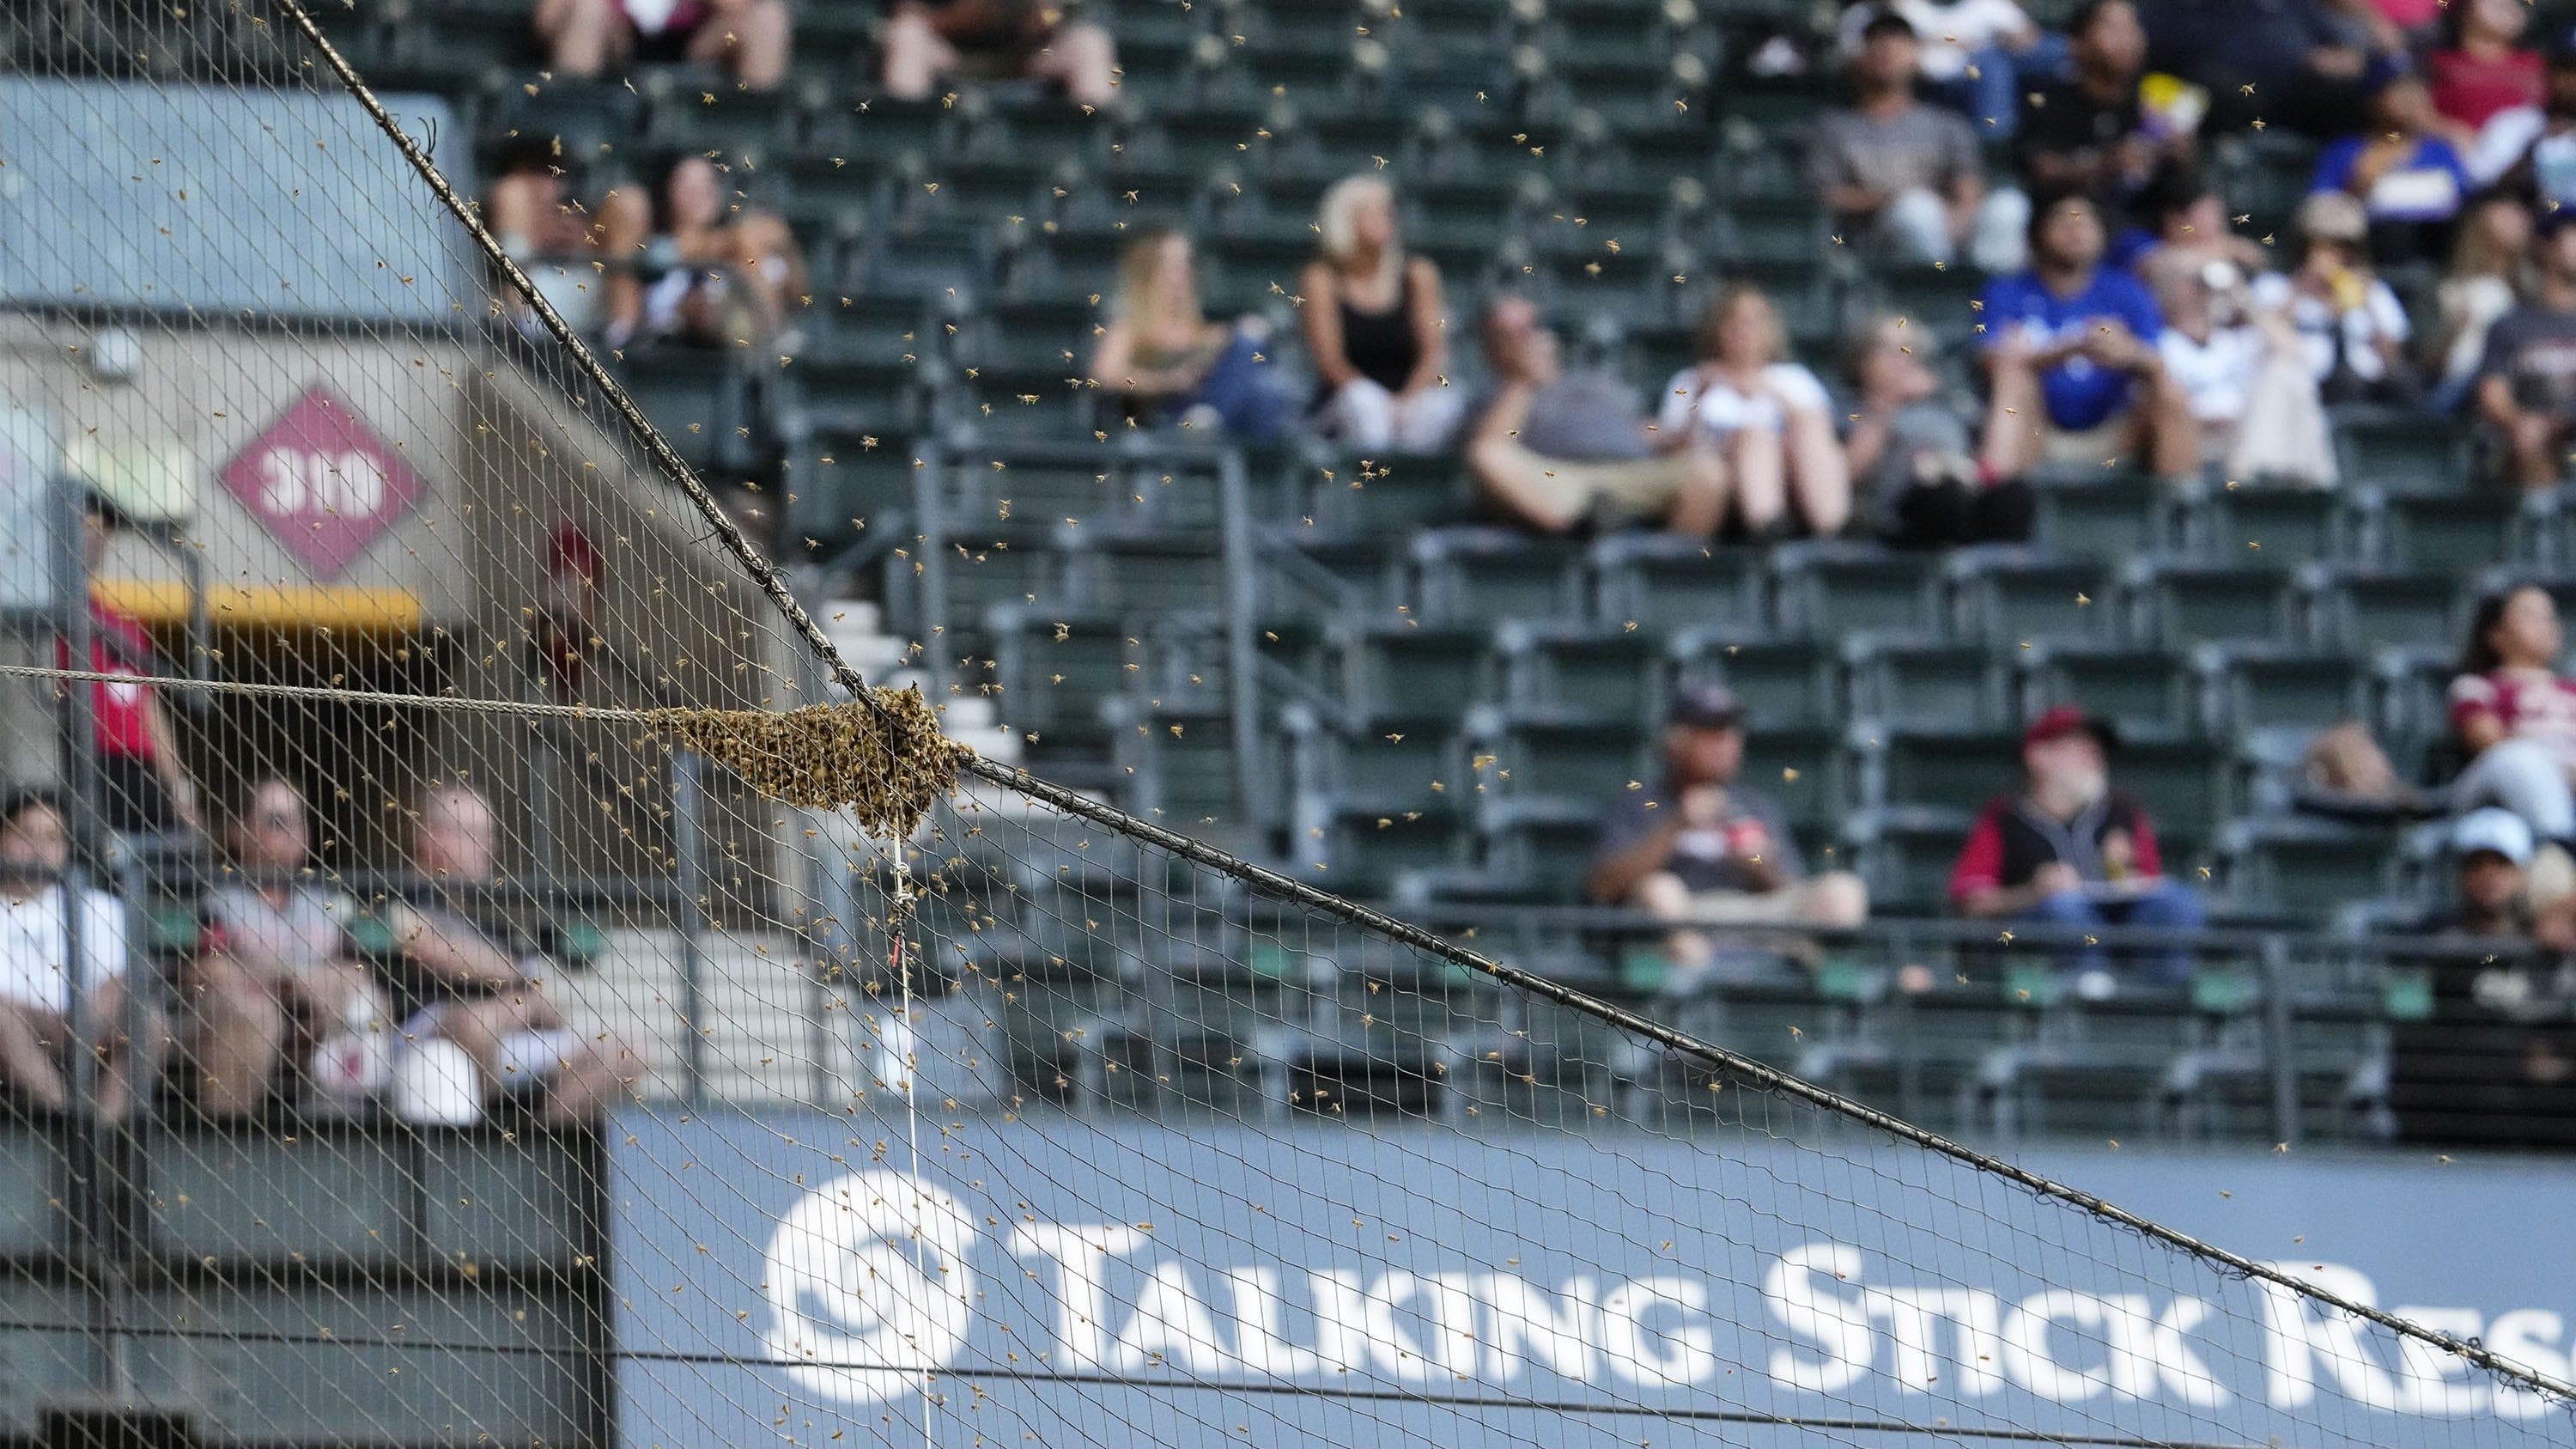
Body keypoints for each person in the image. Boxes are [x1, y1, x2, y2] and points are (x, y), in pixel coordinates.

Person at [381, 784, 628, 1125]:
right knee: (478, 1023)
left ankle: (540, 1143)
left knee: (626, 1053)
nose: (490, 847)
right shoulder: (395, 895)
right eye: (475, 835)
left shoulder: (492, 919)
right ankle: (484, 1144)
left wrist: (513, 1003)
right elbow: (432, 949)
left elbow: (551, 1011)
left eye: (489, 835)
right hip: (422, 1039)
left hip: (507, 1035)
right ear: (430, 837)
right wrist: (513, 983)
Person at [1585, 685, 1868, 977]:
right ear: (1676, 742)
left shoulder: (1754, 806)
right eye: (1713, 735)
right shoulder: (1642, 804)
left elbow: (1789, 889)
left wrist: (1758, 863)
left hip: (1752, 919)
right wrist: (1676, 826)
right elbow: (1604, 889)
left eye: (1733, 735)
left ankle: (1834, 997)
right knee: (1661, 891)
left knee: (1842, 892)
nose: (1727, 745)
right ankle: (1700, 997)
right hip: (1684, 917)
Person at [1948, 706, 2207, 994]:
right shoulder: (2002, 817)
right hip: (2031, 935)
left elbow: (2150, 884)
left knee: (2176, 901)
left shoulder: (2124, 811)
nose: (2094, 759)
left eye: (2096, 751)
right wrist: (2033, 892)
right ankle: (2090, 996)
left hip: (2114, 926)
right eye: (2079, 749)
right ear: (2038, 756)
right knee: (2065, 906)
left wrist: (2122, 874)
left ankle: (2164, 1001)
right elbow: (1970, 903)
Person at [191, 776, 389, 1118]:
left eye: (299, 820)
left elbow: (356, 971)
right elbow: (209, 969)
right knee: (256, 1015)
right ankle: (227, 1146)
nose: (294, 832)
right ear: (239, 831)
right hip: (244, 1019)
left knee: (367, 1004)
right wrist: (293, 981)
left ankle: (340, 1132)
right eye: (277, 822)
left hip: (316, 1021)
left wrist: (321, 989)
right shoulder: (217, 897)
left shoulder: (329, 899)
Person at [1463, 296, 1728, 536]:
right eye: (1510, 335)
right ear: (1491, 348)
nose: (1527, 339)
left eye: (1532, 327)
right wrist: (1521, 381)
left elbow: (1649, 433)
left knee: (1708, 469)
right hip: (1556, 480)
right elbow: (1491, 448)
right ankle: (1576, 532)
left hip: (1631, 474)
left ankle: (1663, 575)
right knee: (1485, 454)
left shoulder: (1594, 384)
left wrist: (1693, 413)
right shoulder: (1488, 397)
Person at [1977, 191, 2195, 480]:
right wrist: (2070, 348)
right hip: (2037, 427)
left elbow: (2157, 361)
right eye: (2065, 223)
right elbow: (1992, 362)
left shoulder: (2126, 291)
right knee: (2013, 376)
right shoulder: (2007, 291)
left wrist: (2127, 352)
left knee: (2169, 389)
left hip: (2116, 430)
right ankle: (1997, 495)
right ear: (2039, 233)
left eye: (2085, 223)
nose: (2076, 232)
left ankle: (2179, 508)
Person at [1655, 286, 1853, 538]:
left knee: (1805, 427)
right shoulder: (1692, 381)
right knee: (1754, 438)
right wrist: (1699, 397)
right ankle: (1767, 526)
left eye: (1755, 321)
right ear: (1718, 329)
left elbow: (1824, 440)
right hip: (1720, 482)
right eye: (1734, 322)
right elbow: (1670, 450)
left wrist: (1771, 394)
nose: (1744, 331)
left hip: (1793, 479)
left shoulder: (1794, 379)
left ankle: (1834, 529)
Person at [0, 790, 146, 1117]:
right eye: (25, 834)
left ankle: (104, 1130)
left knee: (148, 1020)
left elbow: (117, 983)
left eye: (52, 837)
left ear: (66, 848)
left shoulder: (100, 906)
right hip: (12, 1025)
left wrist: (78, 1022)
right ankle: (70, 1120)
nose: (37, 848)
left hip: (84, 1027)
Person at [1807, 9, 1990, 266]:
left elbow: (1968, 190)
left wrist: (1953, 223)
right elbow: (1827, 194)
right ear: (1860, 59)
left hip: (1949, 232)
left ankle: (1985, 297)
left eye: (1897, 45)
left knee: (2008, 208)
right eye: (1878, 46)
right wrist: (1895, 201)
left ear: (1916, 56)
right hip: (1870, 239)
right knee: (1916, 210)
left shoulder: (1948, 125)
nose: (1888, 53)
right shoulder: (1834, 127)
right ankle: (1938, 286)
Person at [65, 491, 200, 839]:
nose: (100, 536)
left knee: (181, 856)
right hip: (81, 757)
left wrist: (180, 790)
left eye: (105, 528)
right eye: (90, 523)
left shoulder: (120, 623)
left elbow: (150, 707)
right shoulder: (45, 615)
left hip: (138, 768)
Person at [1298, 175, 1464, 451]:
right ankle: (1373, 484)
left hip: (1409, 396)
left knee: (1444, 404)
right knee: (1363, 403)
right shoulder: (1321, 277)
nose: (1384, 218)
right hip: (1345, 402)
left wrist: (1404, 403)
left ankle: (1411, 485)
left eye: (1386, 211)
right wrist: (1381, 404)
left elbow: (1433, 353)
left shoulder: (1417, 274)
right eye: (1371, 212)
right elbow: (1330, 361)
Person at [1840, 314, 2035, 546]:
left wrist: (2007, 377)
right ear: (1862, 361)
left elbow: (1996, 463)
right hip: (1896, 515)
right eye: (1889, 350)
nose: (1903, 359)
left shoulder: (1951, 405)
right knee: (1945, 495)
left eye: (1911, 349)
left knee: (2014, 494)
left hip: (1965, 500)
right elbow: (1847, 475)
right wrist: (1886, 403)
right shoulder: (1849, 410)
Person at [1088, 231, 1289, 441]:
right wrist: (1166, 381)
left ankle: (1213, 418)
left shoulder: (1199, 326)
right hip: (1164, 414)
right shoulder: (1130, 325)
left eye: (1187, 265)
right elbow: (1104, 375)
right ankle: (1210, 421)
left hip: (1214, 409)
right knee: (1256, 370)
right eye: (1172, 266)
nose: (1183, 275)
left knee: (1262, 381)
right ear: (1149, 270)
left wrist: (1217, 348)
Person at [2154, 257, 2337, 484]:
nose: (2196, 299)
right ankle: (2301, 490)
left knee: (2287, 374)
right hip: (2198, 441)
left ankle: (2304, 489)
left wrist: (2242, 298)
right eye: (2188, 290)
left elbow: (2297, 356)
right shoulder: (2162, 345)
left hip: (2244, 438)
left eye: (2202, 292)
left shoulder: (2233, 342)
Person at [601, 155, 807, 350]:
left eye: (707, 185)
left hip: (736, 344)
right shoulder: (652, 244)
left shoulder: (743, 238)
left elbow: (797, 289)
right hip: (664, 347)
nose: (698, 194)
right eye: (687, 185)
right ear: (668, 192)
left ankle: (772, 343)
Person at [2010, 0, 2168, 239]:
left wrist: (2178, 155)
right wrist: (2105, 165)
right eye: (2113, 28)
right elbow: (2042, 170)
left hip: (2142, 230)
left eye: (2132, 27)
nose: (2127, 39)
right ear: (2078, 43)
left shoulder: (2152, 103)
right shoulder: (2050, 101)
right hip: (2065, 230)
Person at [2247, 191, 2419, 407]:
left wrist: (2366, 305)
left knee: (2403, 383)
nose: (2336, 255)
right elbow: (2259, 347)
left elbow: (2392, 358)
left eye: (2344, 246)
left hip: (2369, 382)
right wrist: (2300, 290)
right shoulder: (2274, 287)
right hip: (2307, 384)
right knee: (2346, 383)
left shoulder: (2374, 292)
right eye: (2324, 246)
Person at [2445, 585, 2576, 844]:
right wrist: (2562, 771)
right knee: (2519, 759)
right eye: (2530, 615)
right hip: (2494, 789)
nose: (2545, 625)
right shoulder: (2476, 686)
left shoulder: (2571, 688)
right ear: (2496, 634)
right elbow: (2491, 744)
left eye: (2549, 616)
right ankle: (2559, 849)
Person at [2310, 64, 2475, 262]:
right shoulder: (2346, 151)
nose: (2412, 99)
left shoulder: (2441, 150)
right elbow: (2321, 209)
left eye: (2419, 90)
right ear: (2374, 99)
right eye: (2401, 90)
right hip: (2370, 252)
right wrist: (2360, 182)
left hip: (2437, 249)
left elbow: (2465, 201)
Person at [1837, 0, 2056, 133]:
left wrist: (1999, 41)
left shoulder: (1968, 7)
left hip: (1977, 69)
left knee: (2051, 51)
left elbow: (2028, 38)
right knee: (1992, 66)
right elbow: (1869, 62)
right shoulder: (1862, 15)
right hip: (1936, 86)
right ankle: (1994, 139)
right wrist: (1942, 42)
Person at [2475, 209, 2576, 490]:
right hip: (2537, 437)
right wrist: (2519, 421)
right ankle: (2547, 530)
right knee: (2527, 439)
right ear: (2545, 247)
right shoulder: (2512, 324)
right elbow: (2492, 391)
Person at [879, 0, 1117, 108]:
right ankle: (905, 129)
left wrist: (1043, 18)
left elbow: (1068, 14)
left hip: (1028, 58)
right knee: (906, 35)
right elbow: (905, 12)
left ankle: (1097, 136)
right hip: (953, 54)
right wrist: (968, 17)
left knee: (1090, 43)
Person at [2428, 191, 2533, 414]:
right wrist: (2455, 330)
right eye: (2505, 206)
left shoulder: (2534, 290)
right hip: (2462, 388)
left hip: (2523, 383)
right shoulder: (2447, 288)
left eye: (2520, 208)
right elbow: (2427, 362)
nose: (2517, 216)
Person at [534, 0, 789, 91]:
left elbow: (741, 6)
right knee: (586, 10)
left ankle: (751, 155)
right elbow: (545, 21)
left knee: (768, 19)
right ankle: (573, 144)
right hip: (617, 40)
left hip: (696, 42)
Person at [2427, 0, 2548, 182]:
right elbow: (2414, 109)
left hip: (2532, 169)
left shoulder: (2538, 63)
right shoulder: (2440, 64)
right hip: (2462, 165)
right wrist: (2448, 130)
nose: (2507, 6)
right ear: (2465, 10)